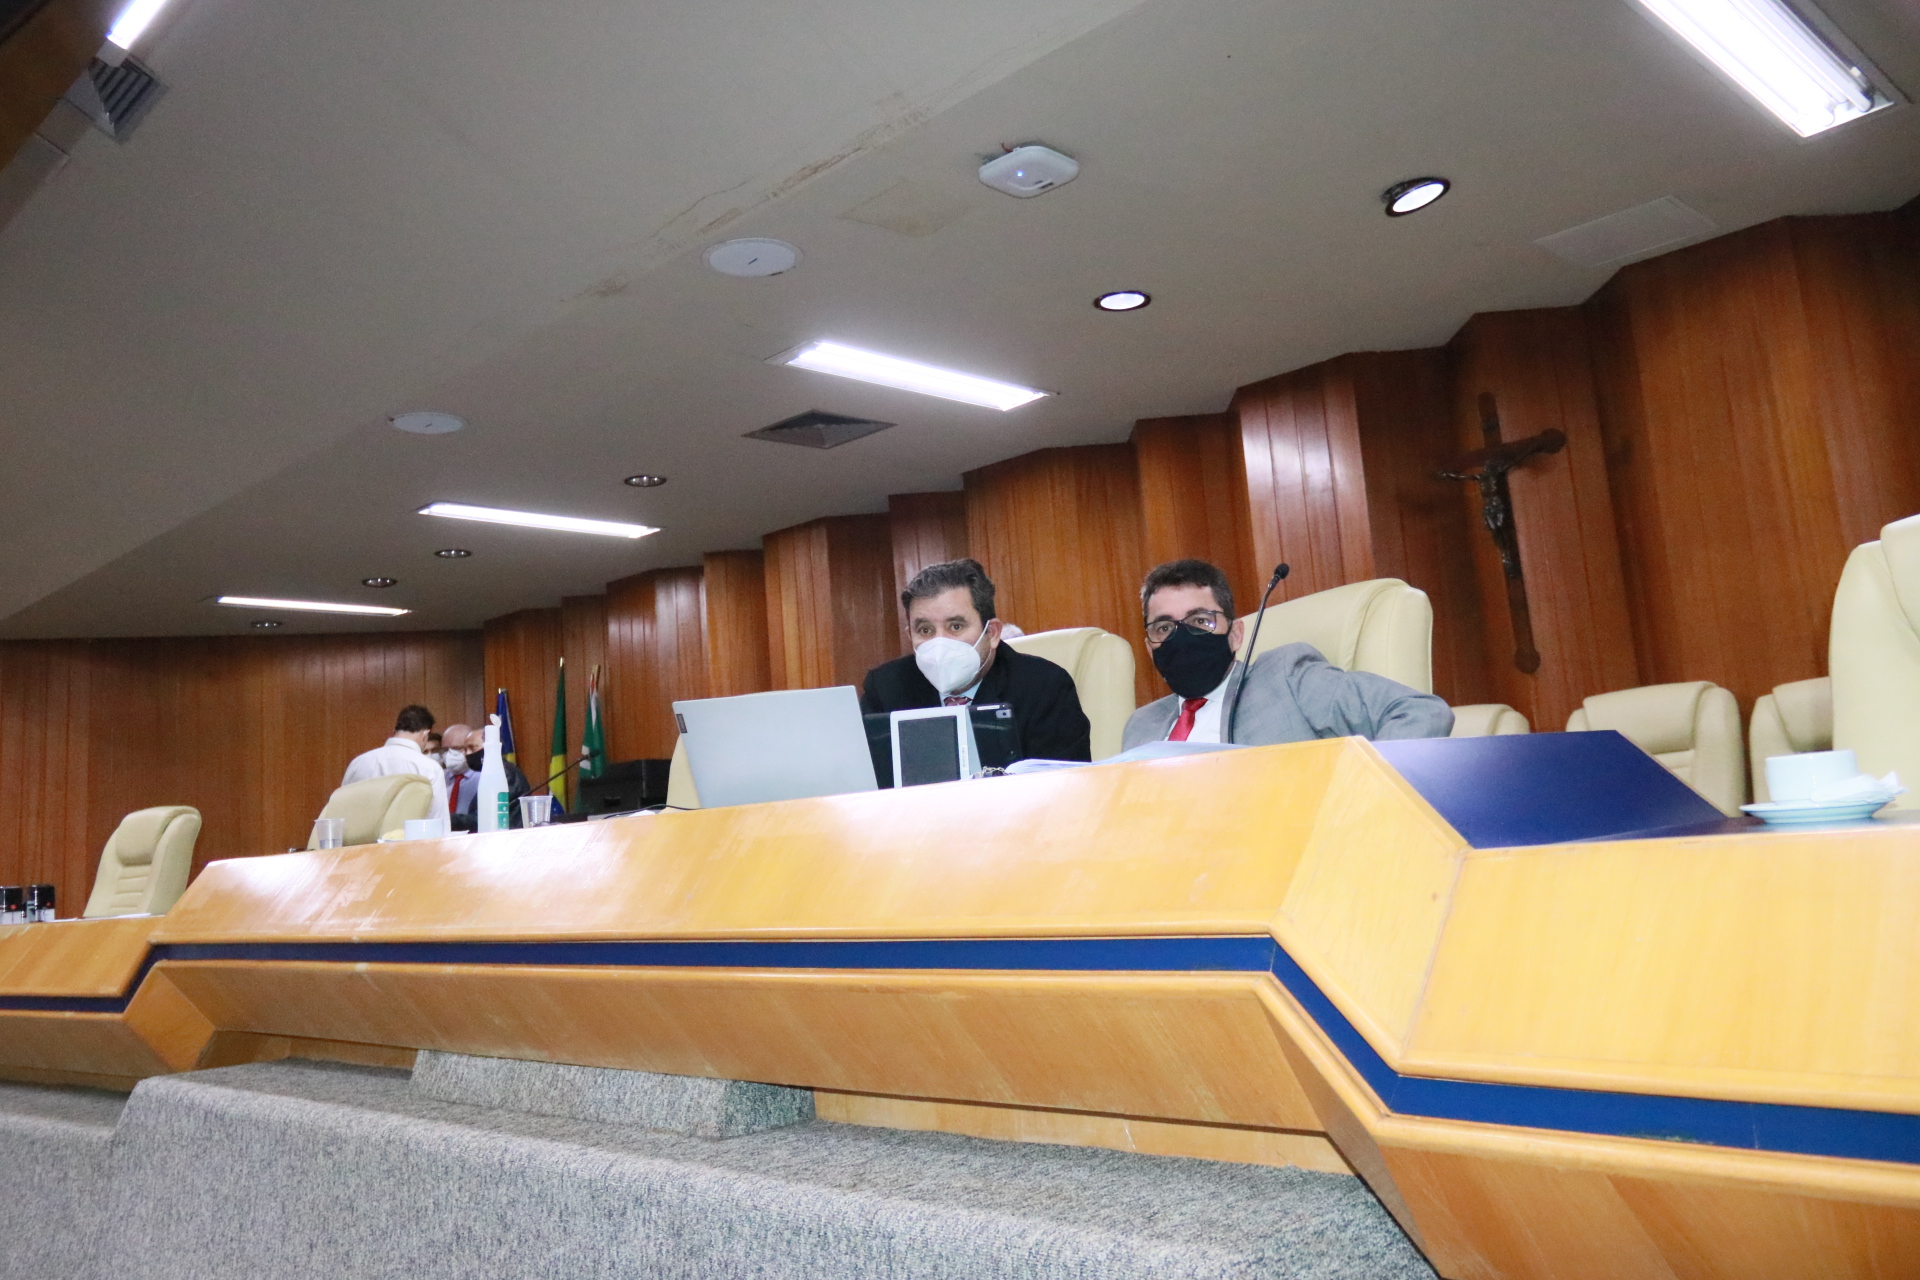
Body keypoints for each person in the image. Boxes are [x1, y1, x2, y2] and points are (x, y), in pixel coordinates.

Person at [1123, 559, 1452, 749]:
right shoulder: (1141, 726)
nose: (1182, 638)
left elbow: (1419, 711)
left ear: (1236, 635)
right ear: (1149, 648)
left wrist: (1360, 794)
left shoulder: (1287, 678)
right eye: (1164, 628)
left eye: (1200, 621)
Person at [861, 558, 1091, 762]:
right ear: (910, 635)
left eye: (956, 626)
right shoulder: (885, 689)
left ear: (992, 633)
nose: (939, 644)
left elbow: (1064, 784)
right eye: (925, 630)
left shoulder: (1044, 686)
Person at [341, 704, 450, 814]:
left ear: (394, 732)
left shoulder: (357, 763)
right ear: (425, 735)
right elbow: (437, 817)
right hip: (409, 825)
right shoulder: (430, 768)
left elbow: (341, 810)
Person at [449, 724, 537, 830]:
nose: (466, 753)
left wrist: (448, 819)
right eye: (464, 749)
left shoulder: (504, 773)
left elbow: (487, 819)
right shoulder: (495, 771)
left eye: (472, 747)